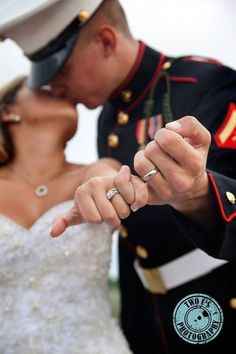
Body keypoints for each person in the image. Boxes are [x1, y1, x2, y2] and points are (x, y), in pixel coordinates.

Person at [0, 1, 235, 353]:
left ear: (106, 42)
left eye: (59, 72)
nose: (57, 89)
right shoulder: (107, 117)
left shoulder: (207, 84)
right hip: (146, 327)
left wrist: (198, 193)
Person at [0, 75, 148, 353]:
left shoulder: (95, 171)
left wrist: (109, 185)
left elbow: (107, 178)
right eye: (42, 85)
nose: (59, 88)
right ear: (9, 112)